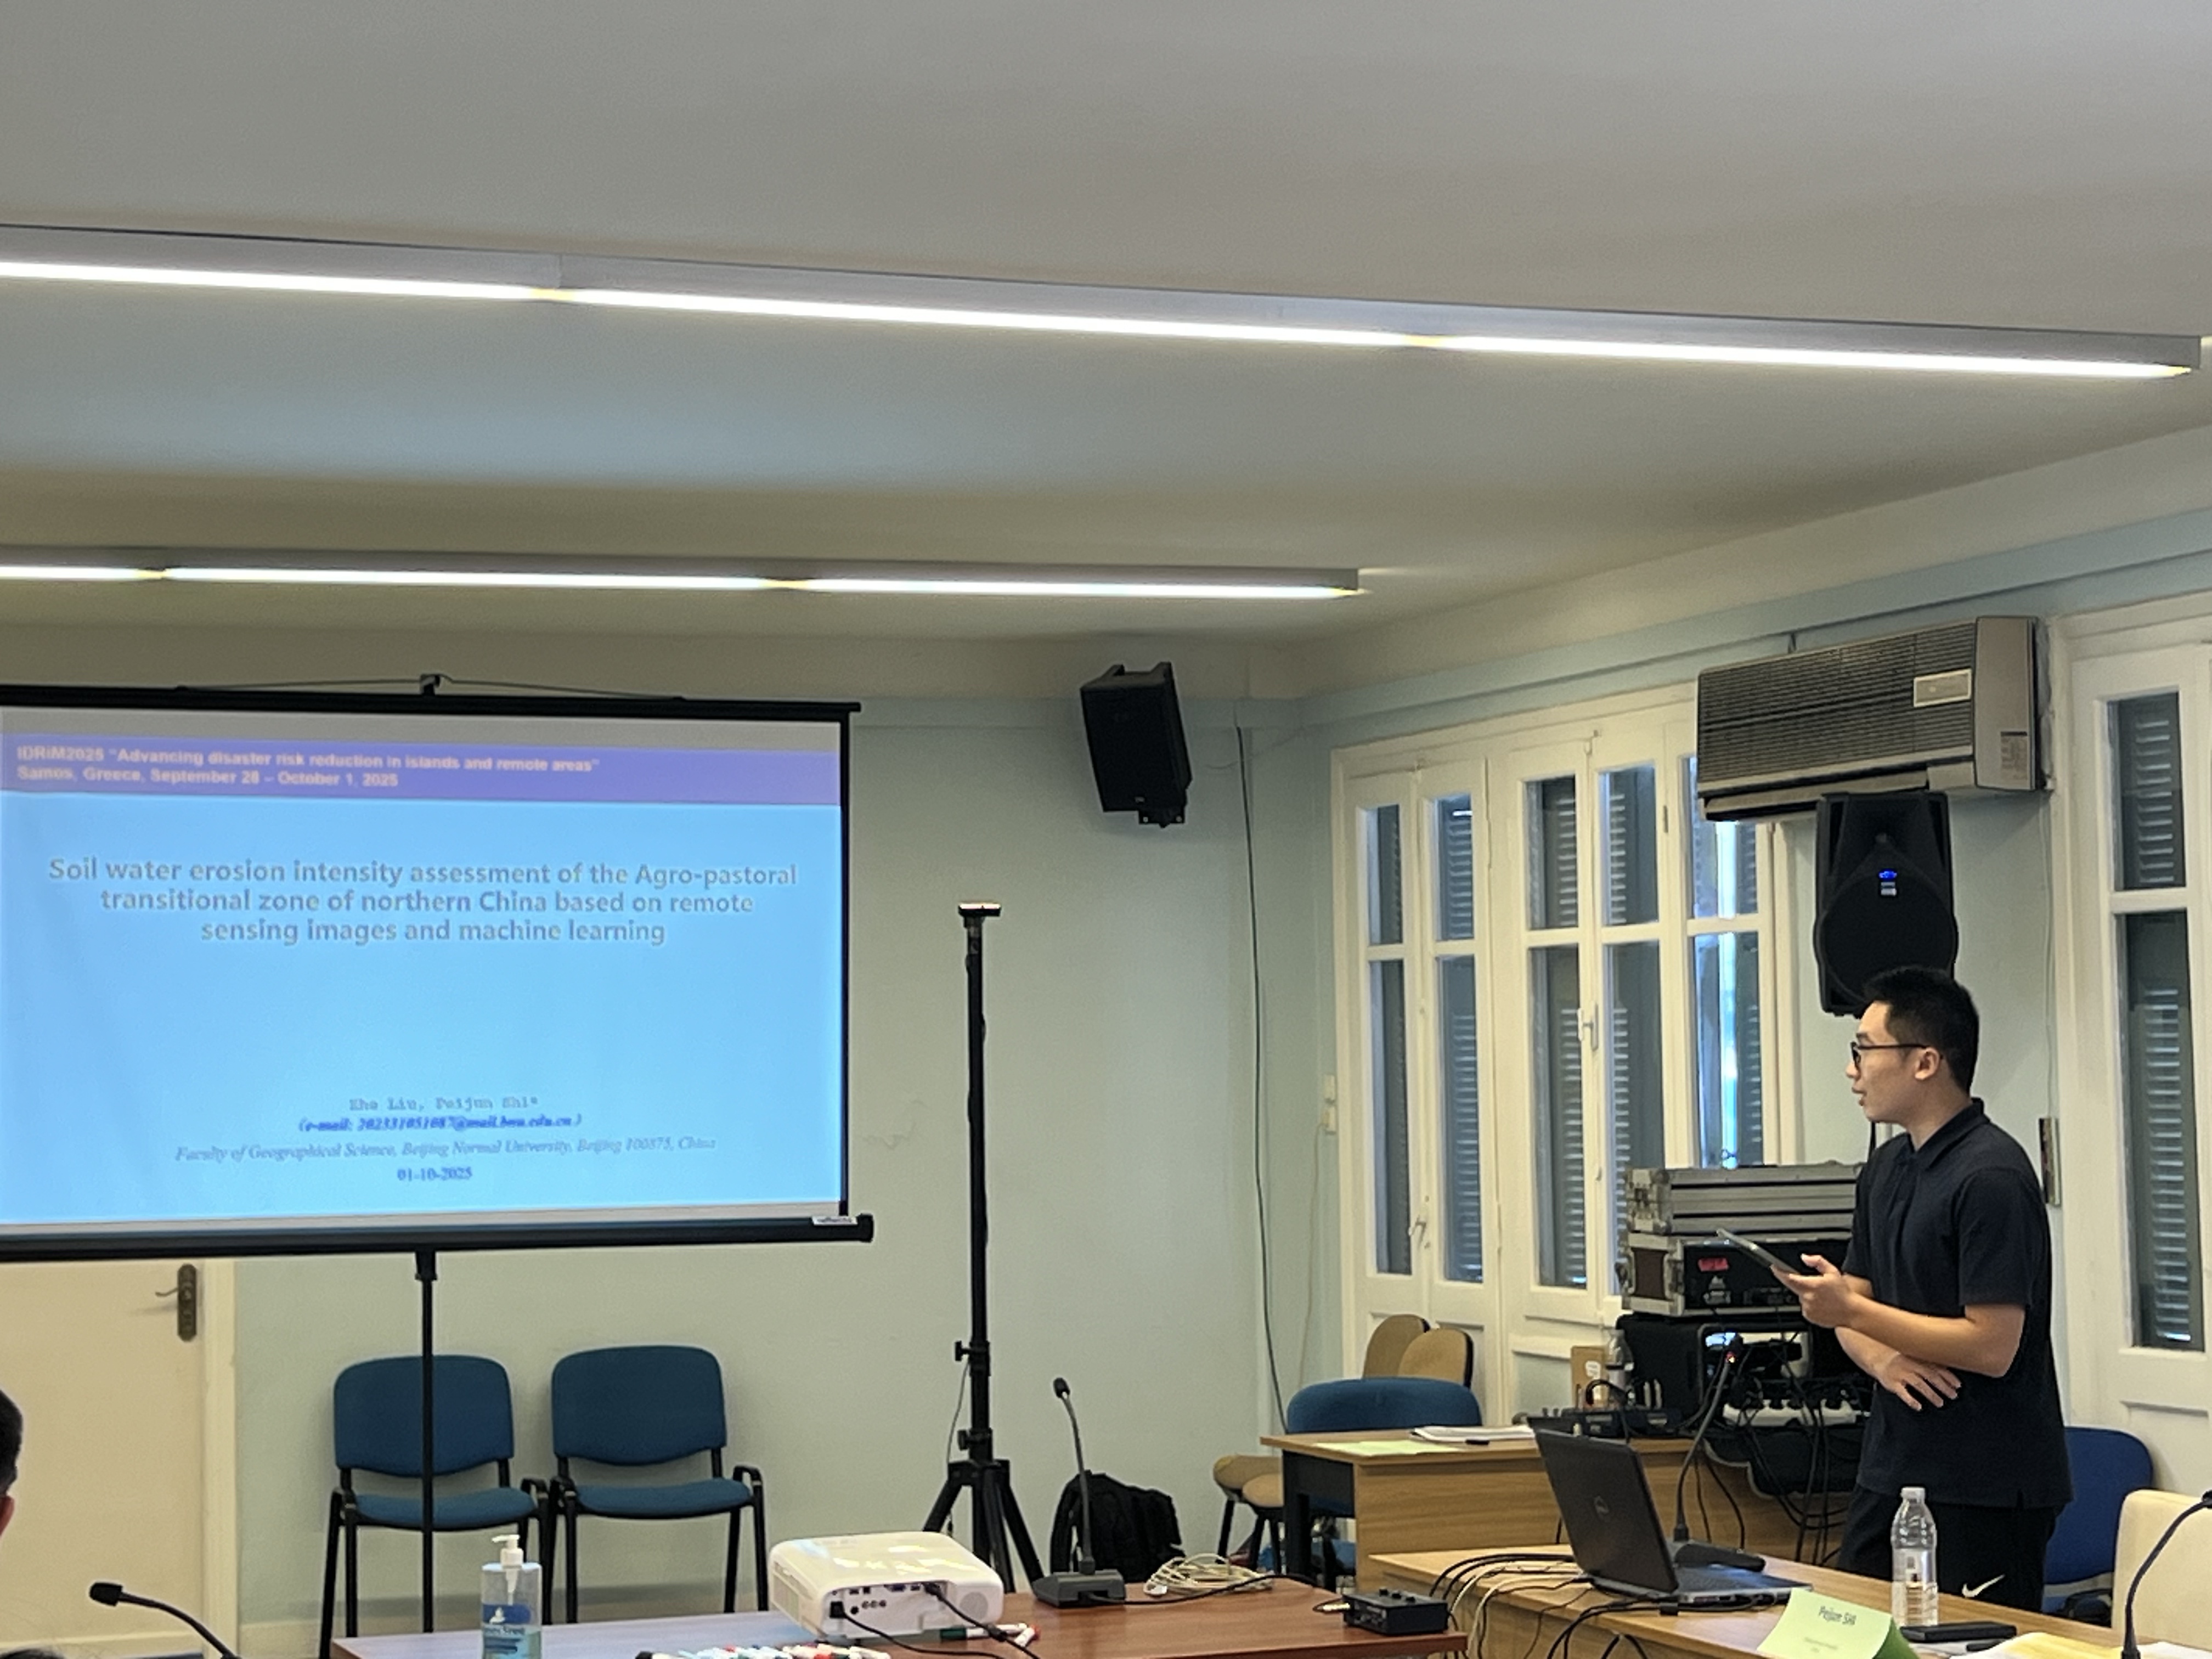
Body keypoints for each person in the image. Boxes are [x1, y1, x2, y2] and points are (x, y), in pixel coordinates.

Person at [1779, 966, 2069, 1612]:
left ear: (1925, 1062)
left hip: (1984, 1482)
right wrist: (1882, 1358)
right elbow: (1853, 1305)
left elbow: (1992, 1344)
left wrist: (1853, 1311)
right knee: (1850, 1635)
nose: (1852, 1069)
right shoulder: (1886, 1167)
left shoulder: (1991, 1176)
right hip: (1893, 1467)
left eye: (1864, 1049)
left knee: (1961, 1647)